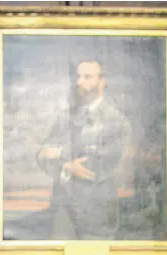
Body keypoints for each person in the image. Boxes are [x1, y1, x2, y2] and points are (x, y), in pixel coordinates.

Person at [37, 60, 133, 240]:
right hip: (62, 214)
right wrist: (65, 165)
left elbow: (99, 165)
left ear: (102, 82)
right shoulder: (64, 117)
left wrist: (59, 153)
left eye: (87, 77)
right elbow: (41, 155)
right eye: (78, 76)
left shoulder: (118, 122)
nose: (79, 82)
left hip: (97, 215)